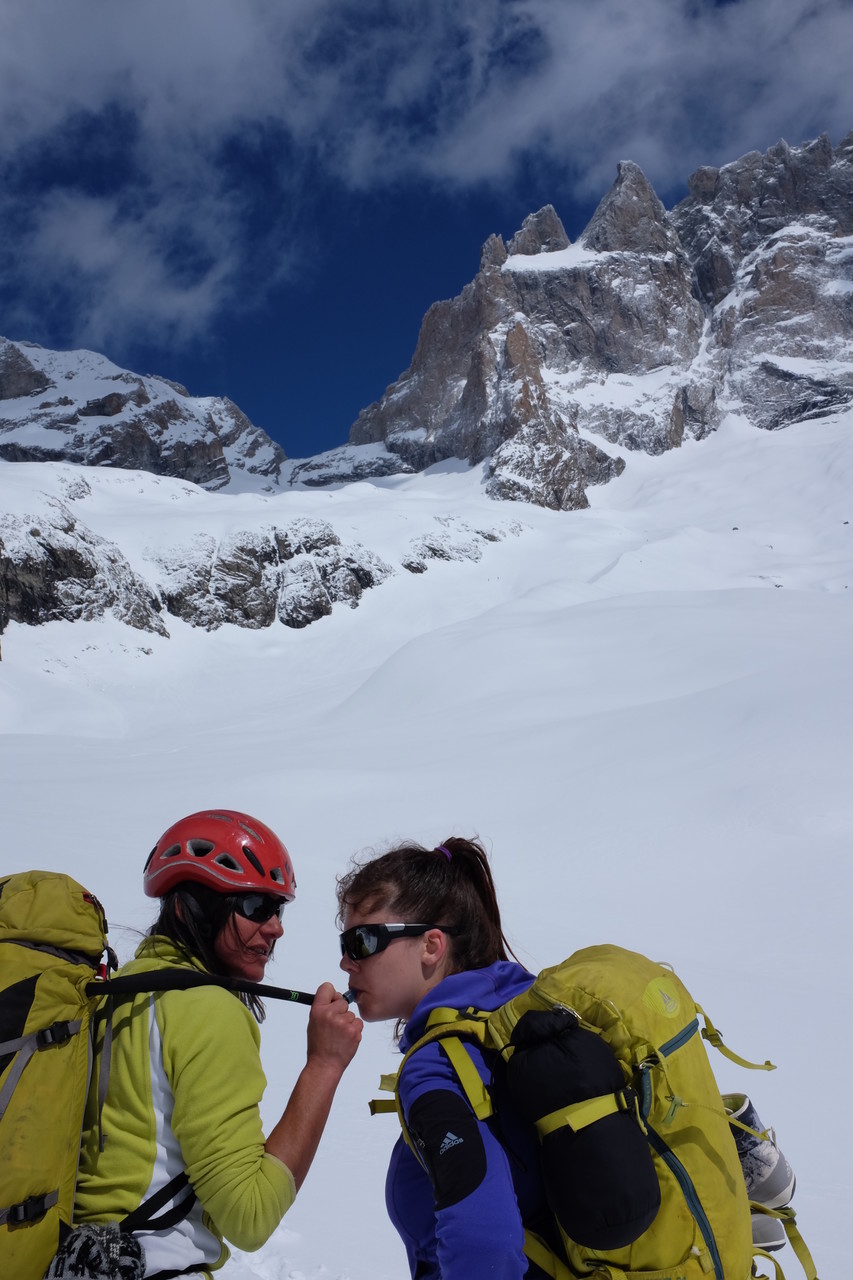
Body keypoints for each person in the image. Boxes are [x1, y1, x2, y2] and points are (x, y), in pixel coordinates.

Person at [72, 809, 363, 1279]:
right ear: (190, 908)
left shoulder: (119, 990)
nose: (275, 927)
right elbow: (249, 1216)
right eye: (254, 907)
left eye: (278, 908)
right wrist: (324, 1066)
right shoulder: (207, 1007)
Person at [337, 835, 552, 1280]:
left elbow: (483, 1244)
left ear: (432, 946)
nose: (346, 962)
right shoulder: (522, 1010)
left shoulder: (436, 1067)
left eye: (362, 941)